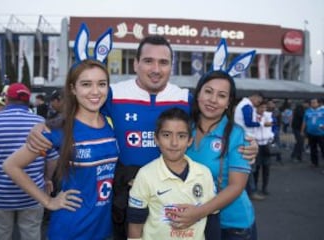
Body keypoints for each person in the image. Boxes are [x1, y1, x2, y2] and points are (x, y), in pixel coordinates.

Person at [26, 35, 258, 240]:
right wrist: (45, 125)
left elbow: (213, 124)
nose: (156, 69)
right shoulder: (113, 94)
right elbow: (81, 109)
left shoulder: (186, 99)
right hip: (124, 198)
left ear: (171, 67)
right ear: (136, 64)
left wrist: (248, 142)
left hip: (171, 202)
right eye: (148, 61)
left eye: (163, 62)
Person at [4, 59, 120, 240]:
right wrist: (48, 201)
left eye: (102, 84)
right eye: (86, 84)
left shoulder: (111, 123)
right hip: (70, 230)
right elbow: (11, 166)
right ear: (73, 89)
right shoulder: (59, 129)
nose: (95, 91)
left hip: (104, 230)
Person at [168, 70, 257, 240]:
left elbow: (236, 187)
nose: (213, 100)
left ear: (228, 102)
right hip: (195, 223)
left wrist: (198, 212)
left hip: (232, 226)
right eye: (208, 91)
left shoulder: (238, 135)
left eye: (221, 95)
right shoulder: (184, 128)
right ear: (198, 94)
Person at [0, 83, 59, 240]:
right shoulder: (41, 123)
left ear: (7, 99)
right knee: (31, 234)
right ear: (27, 101)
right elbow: (52, 158)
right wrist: (47, 178)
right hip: (33, 193)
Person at [127, 107, 216, 240]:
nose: (174, 143)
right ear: (156, 139)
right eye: (166, 135)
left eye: (181, 136)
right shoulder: (145, 174)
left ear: (190, 140)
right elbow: (135, 223)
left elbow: (212, 217)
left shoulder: (204, 173)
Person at [234, 92, 266, 201]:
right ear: (254, 97)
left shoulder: (244, 105)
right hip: (245, 138)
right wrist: (260, 124)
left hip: (242, 137)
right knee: (248, 167)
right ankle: (250, 191)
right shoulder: (246, 106)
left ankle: (247, 190)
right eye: (258, 101)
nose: (258, 104)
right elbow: (248, 123)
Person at [252, 100, 274, 195]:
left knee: (266, 167)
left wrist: (271, 138)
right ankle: (255, 187)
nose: (263, 109)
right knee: (256, 168)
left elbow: (271, 127)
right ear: (256, 107)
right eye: (261, 107)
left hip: (266, 144)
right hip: (256, 144)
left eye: (265, 107)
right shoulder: (252, 116)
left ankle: (265, 187)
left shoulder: (268, 116)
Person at [300, 98, 324, 167]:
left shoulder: (323, 110)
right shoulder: (307, 111)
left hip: (321, 134)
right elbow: (304, 121)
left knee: (323, 149)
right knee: (313, 149)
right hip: (311, 133)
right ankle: (314, 163)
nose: (312, 104)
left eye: (314, 102)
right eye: (311, 102)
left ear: (318, 103)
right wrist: (302, 131)